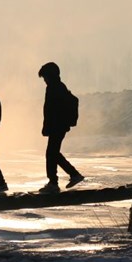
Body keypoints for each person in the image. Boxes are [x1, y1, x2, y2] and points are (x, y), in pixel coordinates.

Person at [38, 62, 84, 193]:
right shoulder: (57, 87)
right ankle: (72, 175)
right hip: (57, 126)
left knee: (51, 153)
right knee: (53, 153)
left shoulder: (55, 88)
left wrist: (50, 125)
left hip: (57, 126)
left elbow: (52, 110)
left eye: (45, 77)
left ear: (50, 75)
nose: (44, 80)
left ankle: (54, 183)